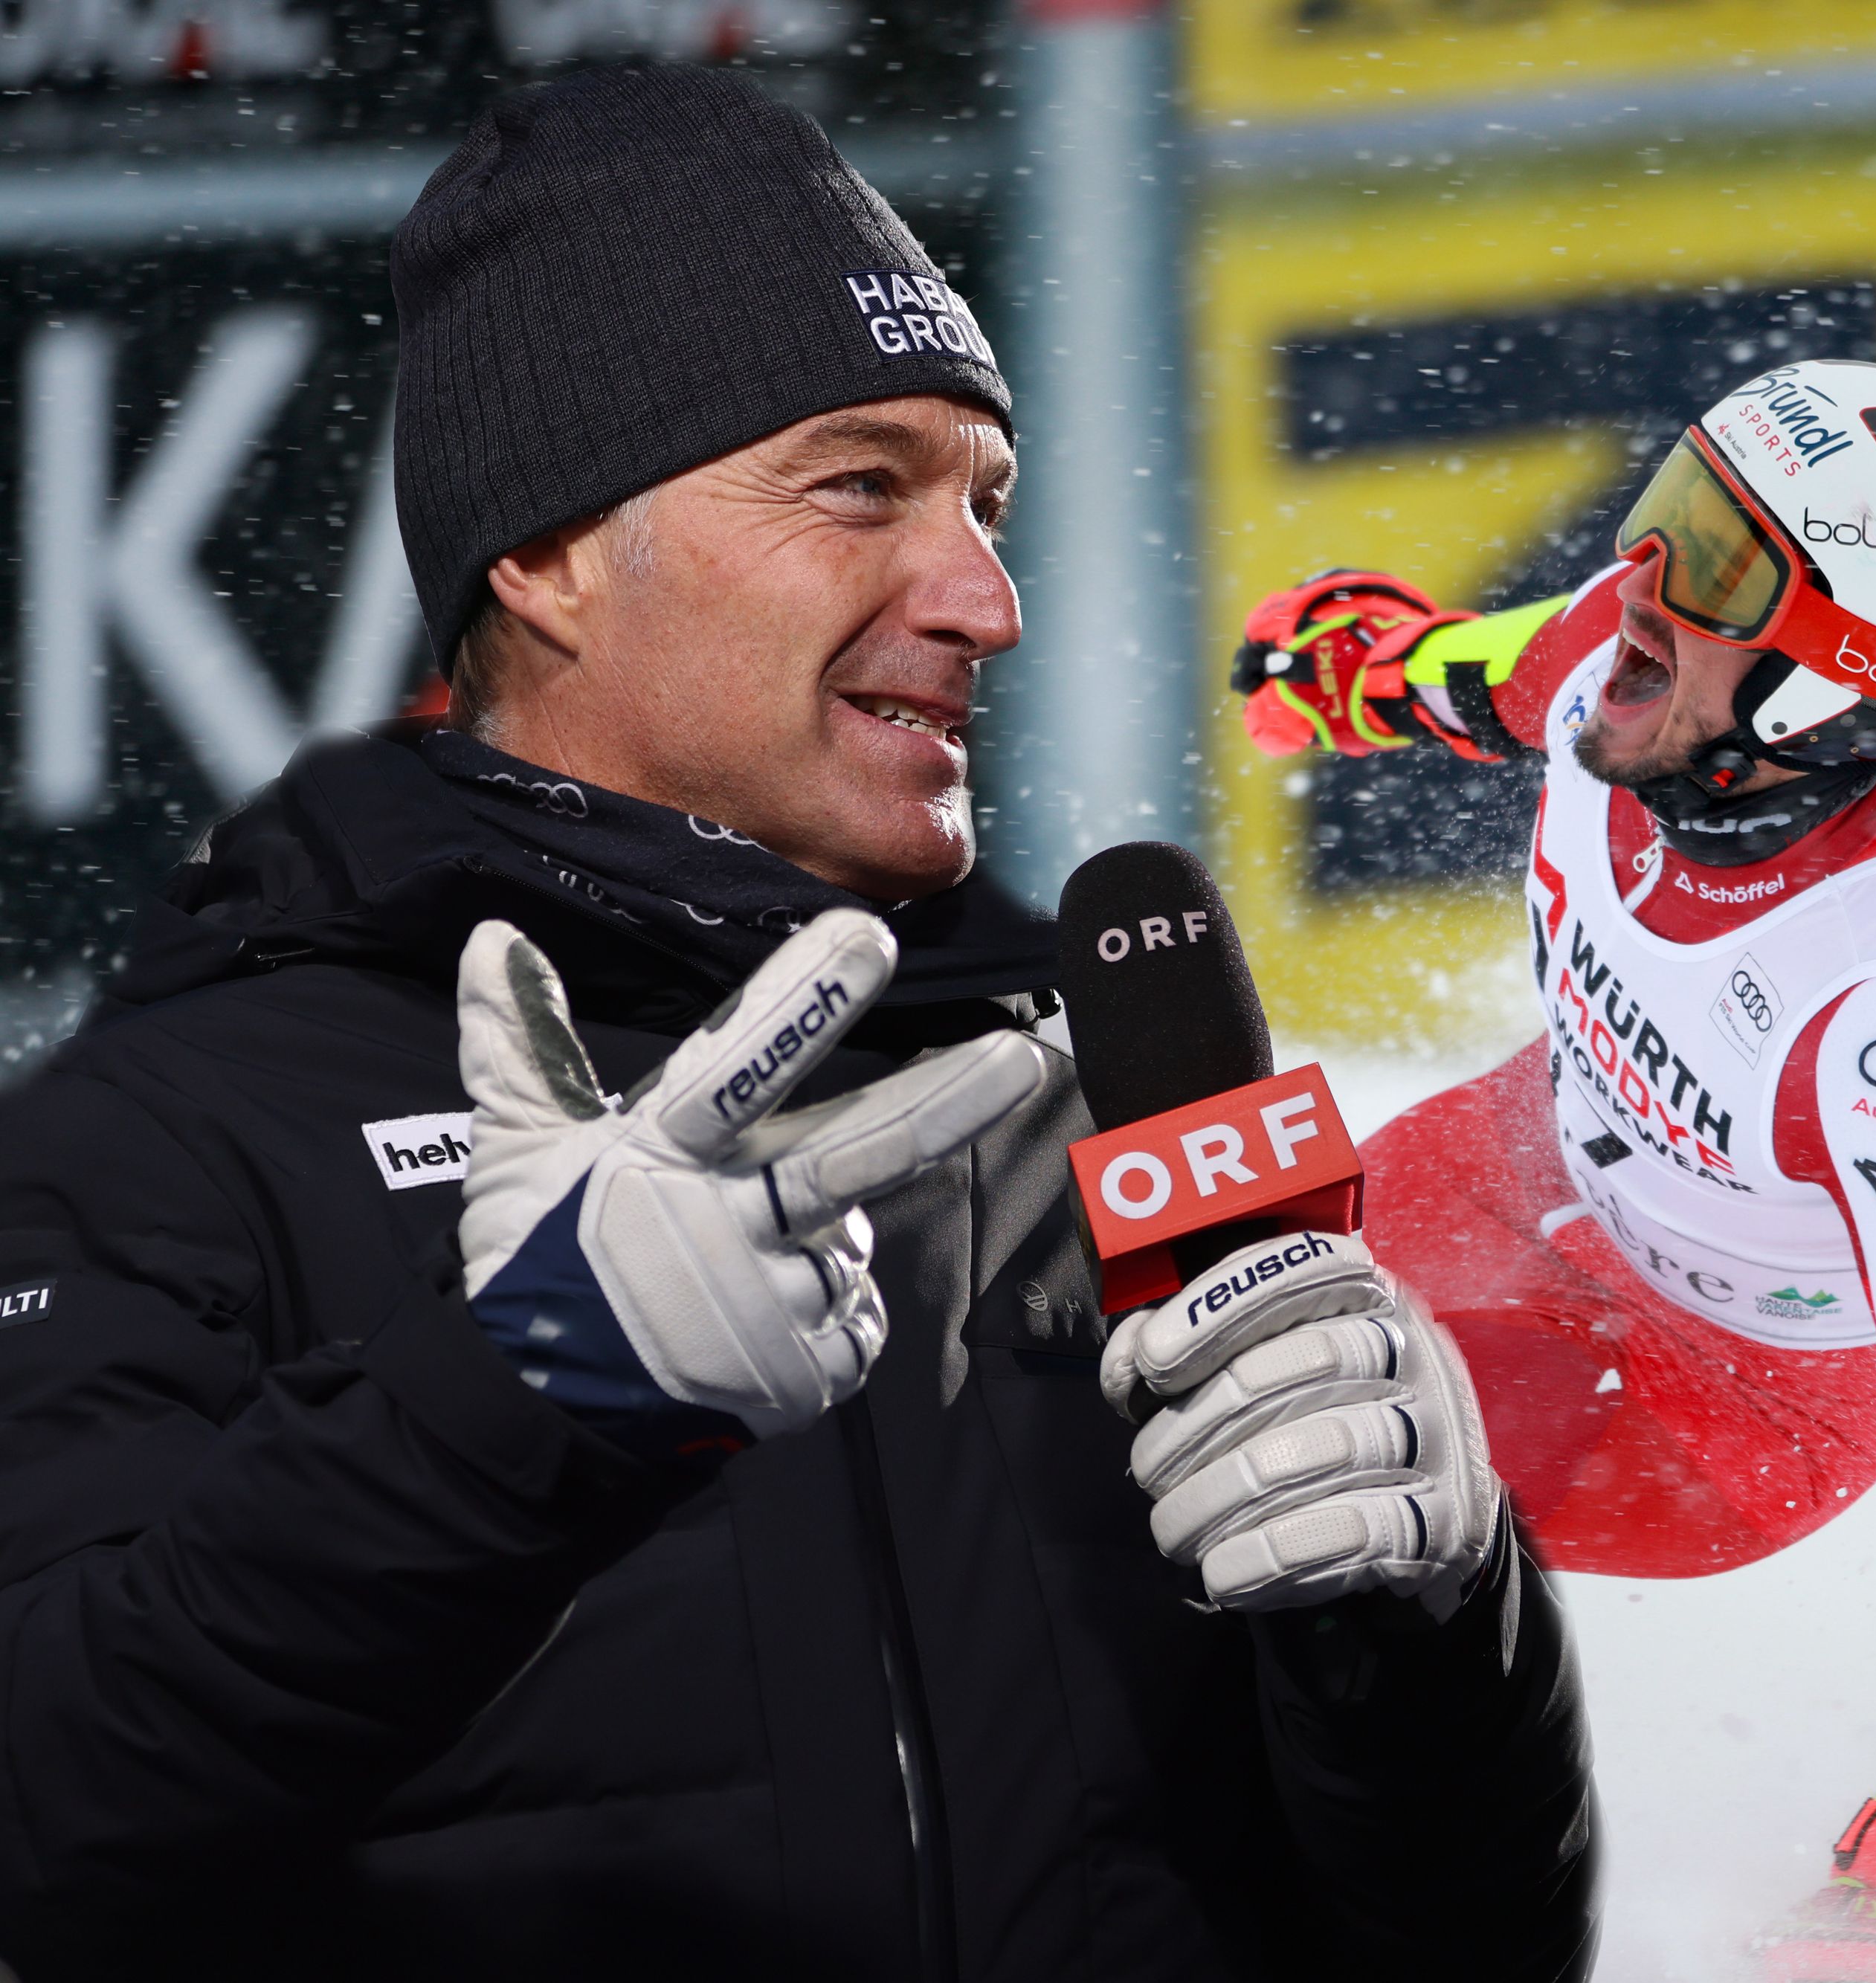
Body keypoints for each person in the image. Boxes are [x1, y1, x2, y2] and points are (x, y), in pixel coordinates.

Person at [0, 68, 1593, 1982]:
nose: (984, 599)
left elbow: (1468, 1947)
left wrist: (1432, 1615)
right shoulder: (162, 1139)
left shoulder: (1077, 1121)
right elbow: (45, 1822)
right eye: (860, 485)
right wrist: (523, 1398)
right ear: (549, 552)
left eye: (987, 502)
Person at [1230, 358, 1876, 1980]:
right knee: (1109, 1350)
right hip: (1513, 1160)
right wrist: (1374, 666)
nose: (1636, 571)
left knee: (1254, 1515)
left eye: (1709, 559)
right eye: (1670, 509)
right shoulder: (1641, 657)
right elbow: (1504, 670)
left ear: (1823, 686)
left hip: (1708, 1394)